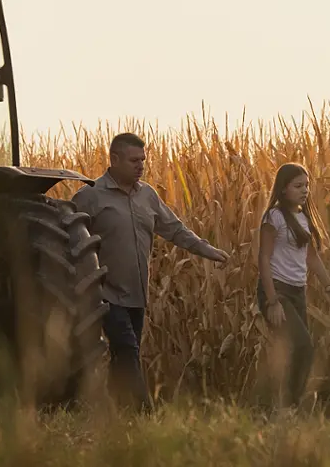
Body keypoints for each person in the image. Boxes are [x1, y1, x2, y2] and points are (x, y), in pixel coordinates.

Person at [71, 132, 229, 413]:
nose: (140, 165)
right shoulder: (91, 195)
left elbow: (174, 230)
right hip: (105, 293)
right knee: (128, 349)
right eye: (133, 160)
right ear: (114, 159)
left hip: (137, 294)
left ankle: (114, 415)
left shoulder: (148, 195)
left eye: (142, 160)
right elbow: (70, 237)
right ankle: (144, 414)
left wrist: (208, 250)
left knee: (124, 356)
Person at [256, 162, 330, 410]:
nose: (304, 190)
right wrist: (272, 301)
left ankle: (283, 406)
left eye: (306, 185)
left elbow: (312, 257)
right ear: (283, 189)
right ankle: (290, 407)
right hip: (278, 291)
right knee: (303, 345)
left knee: (298, 350)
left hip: (297, 291)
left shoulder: (303, 217)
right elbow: (263, 258)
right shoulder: (275, 217)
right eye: (297, 186)